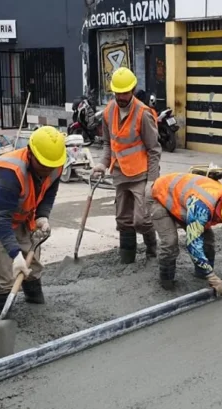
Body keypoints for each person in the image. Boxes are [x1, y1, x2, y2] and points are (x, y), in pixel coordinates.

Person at [0, 126, 66, 316]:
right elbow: (1, 218)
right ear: (30, 154)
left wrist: (42, 215)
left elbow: (49, 191)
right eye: (43, 165)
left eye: (51, 166)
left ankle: (36, 307)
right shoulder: (10, 172)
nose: (47, 170)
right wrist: (15, 255)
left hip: (23, 211)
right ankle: (4, 319)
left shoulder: (56, 163)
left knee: (31, 260)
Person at [92, 67, 161, 264]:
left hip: (141, 175)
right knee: (123, 219)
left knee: (142, 219)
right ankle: (127, 258)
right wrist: (102, 164)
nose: (121, 96)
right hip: (119, 173)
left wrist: (152, 181)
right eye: (118, 92)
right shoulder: (108, 112)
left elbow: (154, 150)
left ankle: (152, 250)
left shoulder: (143, 113)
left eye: (125, 92)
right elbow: (108, 143)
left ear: (133, 90)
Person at [149, 172, 222, 296]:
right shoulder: (202, 206)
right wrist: (212, 276)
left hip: (183, 200)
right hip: (161, 196)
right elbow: (193, 243)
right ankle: (166, 283)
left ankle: (201, 275)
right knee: (170, 242)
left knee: (208, 240)